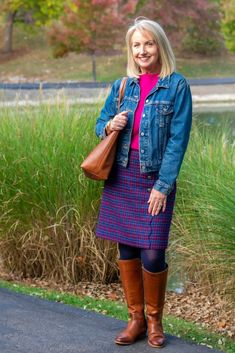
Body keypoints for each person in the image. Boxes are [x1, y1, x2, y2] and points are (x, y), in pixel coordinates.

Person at [95, 17, 192, 348]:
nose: (142, 50)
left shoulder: (177, 86)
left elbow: (178, 141)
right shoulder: (123, 86)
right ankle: (135, 319)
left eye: (148, 43)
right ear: (130, 49)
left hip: (154, 178)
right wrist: (111, 125)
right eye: (136, 45)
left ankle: (154, 321)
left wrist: (163, 185)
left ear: (160, 46)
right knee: (128, 249)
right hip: (122, 174)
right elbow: (99, 124)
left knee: (152, 254)